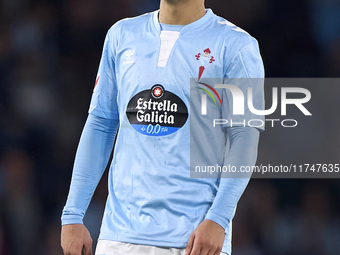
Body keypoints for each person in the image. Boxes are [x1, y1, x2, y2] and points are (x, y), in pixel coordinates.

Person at [61, 0, 265, 255]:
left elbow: (244, 137)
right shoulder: (121, 35)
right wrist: (72, 214)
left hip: (194, 239)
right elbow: (101, 124)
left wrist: (219, 219)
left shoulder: (236, 45)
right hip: (119, 236)